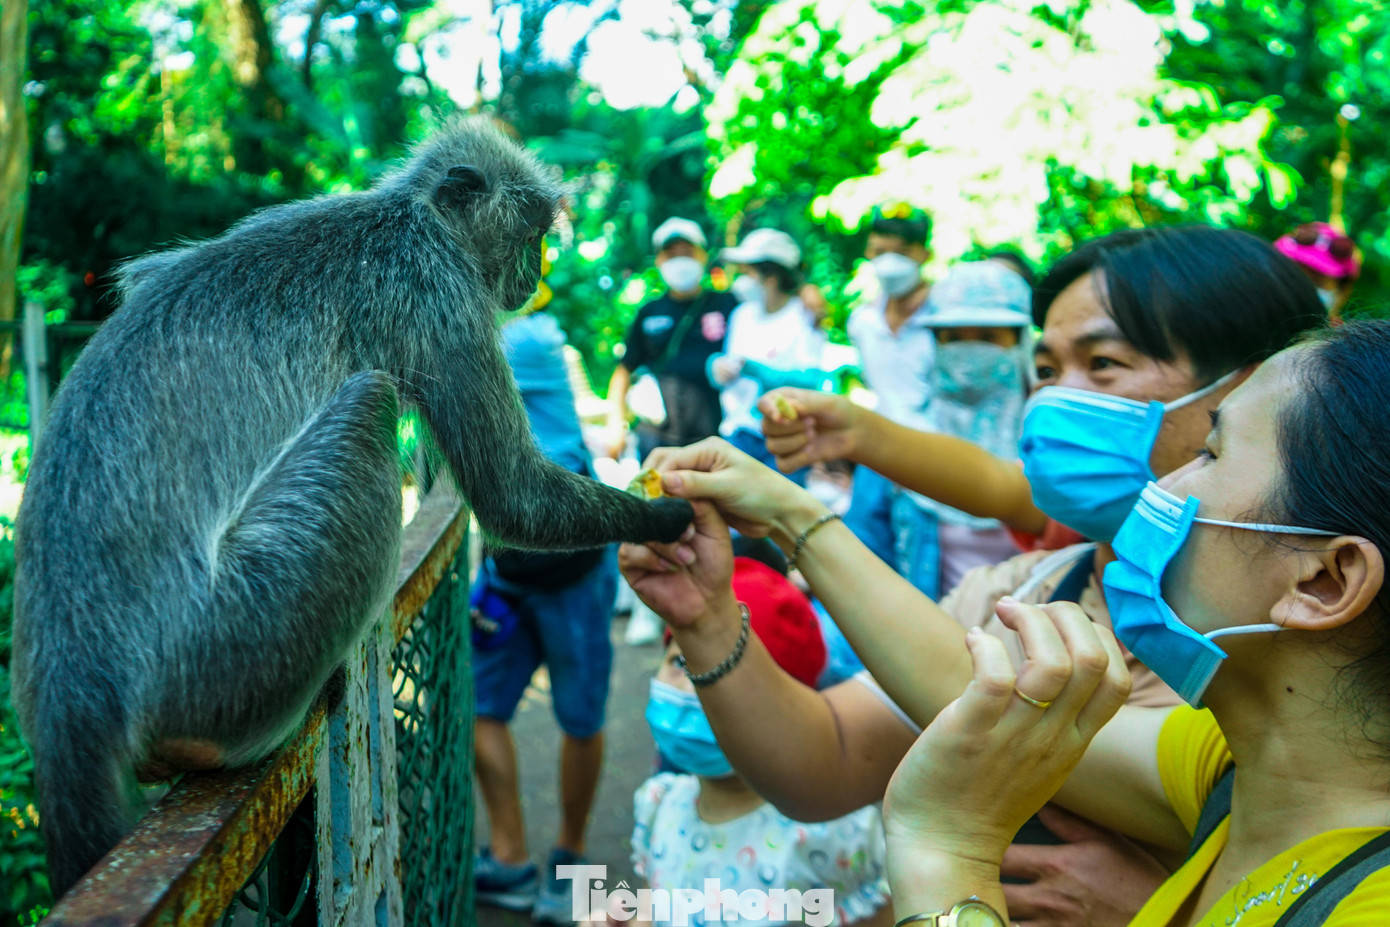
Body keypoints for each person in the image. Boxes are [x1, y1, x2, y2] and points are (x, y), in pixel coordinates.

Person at [618, 226, 1324, 927]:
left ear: (1261, 388)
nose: (1054, 400)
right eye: (1045, 370)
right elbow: (826, 759)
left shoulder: (1303, 666)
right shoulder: (1023, 594)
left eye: (1103, 362)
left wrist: (1176, 911)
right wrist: (708, 617)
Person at [880, 320, 1390, 927]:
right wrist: (793, 518)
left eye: (1211, 453)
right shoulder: (1242, 766)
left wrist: (946, 849)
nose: (1161, 485)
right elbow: (963, 685)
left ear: (1323, 581)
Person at [632, 554, 893, 927]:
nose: (694, 688)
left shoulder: (835, 833)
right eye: (679, 662)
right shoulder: (658, 807)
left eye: (719, 677)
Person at [472, 299, 621, 926]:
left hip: (571, 561)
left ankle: (572, 860)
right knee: (477, 707)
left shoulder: (523, 339)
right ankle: (509, 858)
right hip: (510, 564)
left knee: (580, 718)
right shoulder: (505, 331)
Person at [869, 260, 1035, 597]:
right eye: (954, 337)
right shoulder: (901, 445)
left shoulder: (1051, 445)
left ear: (1020, 342)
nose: (969, 352)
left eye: (988, 337)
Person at [840, 205, 940, 581]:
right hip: (876, 455)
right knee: (861, 562)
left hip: (931, 459)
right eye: (880, 251)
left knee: (921, 569)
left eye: (900, 251)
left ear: (923, 254)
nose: (889, 262)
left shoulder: (947, 320)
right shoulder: (862, 322)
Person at [605, 217, 738, 462]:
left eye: (687, 252)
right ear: (659, 261)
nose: (680, 261)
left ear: (703, 256)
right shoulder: (649, 312)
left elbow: (773, 308)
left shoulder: (729, 303)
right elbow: (624, 370)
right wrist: (615, 424)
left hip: (716, 438)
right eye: (672, 254)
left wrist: (805, 293)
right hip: (658, 439)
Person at [708, 228, 830, 483]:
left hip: (785, 440)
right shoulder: (742, 315)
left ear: (771, 276)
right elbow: (725, 365)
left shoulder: (804, 316)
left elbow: (811, 381)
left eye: (748, 272)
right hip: (740, 434)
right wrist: (716, 368)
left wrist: (755, 369)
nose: (742, 279)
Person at [1274, 221, 1361, 323]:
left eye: (1316, 281)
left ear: (1342, 293)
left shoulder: (1339, 337)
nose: (1299, 286)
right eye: (1291, 274)